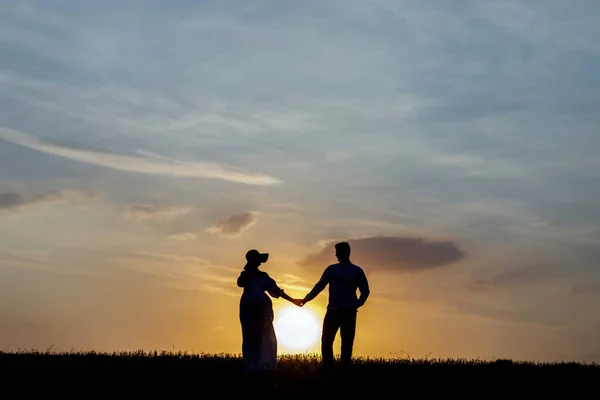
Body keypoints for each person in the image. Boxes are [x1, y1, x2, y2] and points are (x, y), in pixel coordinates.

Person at [300, 241, 370, 371]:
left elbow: (365, 290)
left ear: (345, 253)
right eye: (336, 252)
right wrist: (306, 299)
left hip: (349, 311)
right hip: (333, 310)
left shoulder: (356, 271)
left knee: (347, 343)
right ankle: (328, 369)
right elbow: (319, 286)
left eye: (338, 252)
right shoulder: (331, 269)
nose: (336, 255)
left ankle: (344, 370)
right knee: (326, 341)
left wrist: (357, 303)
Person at [237, 249, 302, 374]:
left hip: (261, 308)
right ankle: (252, 365)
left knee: (262, 334)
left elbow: (276, 291)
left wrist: (292, 300)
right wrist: (247, 274)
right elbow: (240, 283)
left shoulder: (262, 276)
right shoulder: (246, 276)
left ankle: (261, 364)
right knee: (251, 334)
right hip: (250, 307)